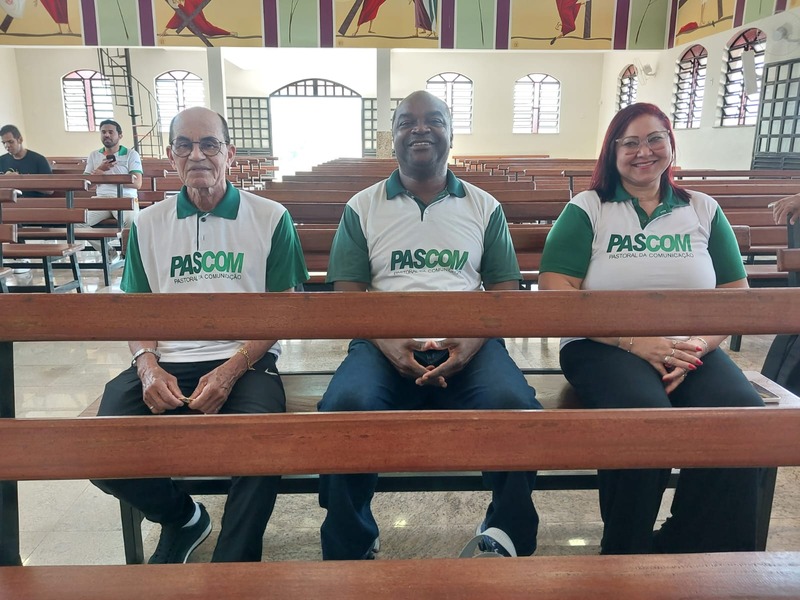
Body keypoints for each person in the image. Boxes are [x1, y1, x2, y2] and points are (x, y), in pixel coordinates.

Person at [318, 90, 540, 560]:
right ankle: (352, 538)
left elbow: (504, 294)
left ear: (450, 133)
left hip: (471, 343)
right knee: (344, 407)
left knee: (516, 407)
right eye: (407, 122)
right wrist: (389, 342)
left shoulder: (483, 206)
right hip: (382, 344)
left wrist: (470, 343)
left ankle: (505, 531)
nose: (420, 129)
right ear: (392, 136)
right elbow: (347, 298)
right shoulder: (363, 206)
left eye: (433, 120)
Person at [538, 102, 763, 554]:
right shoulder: (589, 208)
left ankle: (694, 545)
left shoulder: (702, 208)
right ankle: (625, 550)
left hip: (689, 345)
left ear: (670, 144)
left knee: (740, 416)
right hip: (602, 343)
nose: (644, 151)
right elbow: (555, 289)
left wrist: (697, 344)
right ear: (612, 152)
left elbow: (735, 293)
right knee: (644, 417)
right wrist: (634, 341)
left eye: (655, 138)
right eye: (630, 143)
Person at [91, 106, 309, 564]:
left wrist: (232, 369)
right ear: (171, 156)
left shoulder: (270, 216)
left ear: (230, 153)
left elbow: (284, 309)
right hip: (167, 360)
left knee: (262, 445)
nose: (197, 155)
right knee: (97, 448)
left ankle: (232, 569)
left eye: (209, 144)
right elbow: (136, 311)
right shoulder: (148, 223)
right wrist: (147, 366)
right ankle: (183, 517)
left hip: (245, 359)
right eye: (184, 145)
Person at [82, 119, 143, 261]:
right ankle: (108, 251)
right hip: (101, 200)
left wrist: (106, 177)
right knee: (76, 221)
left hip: (125, 200)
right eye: (103, 132)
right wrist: (100, 170)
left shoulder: (131, 154)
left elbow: (137, 183)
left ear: (120, 135)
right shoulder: (94, 155)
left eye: (111, 132)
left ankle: (129, 258)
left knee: (132, 222)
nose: (107, 135)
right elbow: (85, 185)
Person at [0, 124, 53, 196]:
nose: (7, 146)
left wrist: (21, 180)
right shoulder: (1, 160)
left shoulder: (39, 160)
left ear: (20, 140)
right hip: (9, 202)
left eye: (11, 142)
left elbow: (50, 190)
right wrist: (5, 181)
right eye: (4, 143)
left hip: (34, 201)